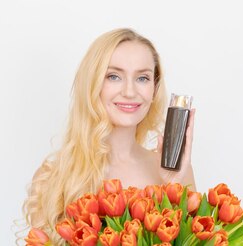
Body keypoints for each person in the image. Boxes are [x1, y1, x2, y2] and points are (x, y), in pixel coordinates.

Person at [21, 28, 196, 243]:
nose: (130, 92)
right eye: (113, 76)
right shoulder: (56, 176)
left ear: (154, 88)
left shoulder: (174, 172)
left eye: (142, 78)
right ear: (93, 84)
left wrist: (175, 187)